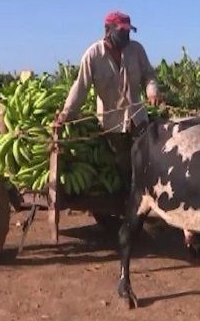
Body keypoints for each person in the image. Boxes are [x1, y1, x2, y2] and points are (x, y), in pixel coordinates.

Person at [57, 11, 160, 194]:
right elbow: (80, 87)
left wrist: (152, 92)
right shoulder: (93, 55)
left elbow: (149, 75)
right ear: (107, 29)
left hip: (137, 117)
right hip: (112, 123)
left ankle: (146, 198)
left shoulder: (136, 50)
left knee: (146, 160)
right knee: (124, 164)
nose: (126, 36)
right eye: (121, 32)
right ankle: (129, 201)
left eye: (128, 32)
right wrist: (66, 115)